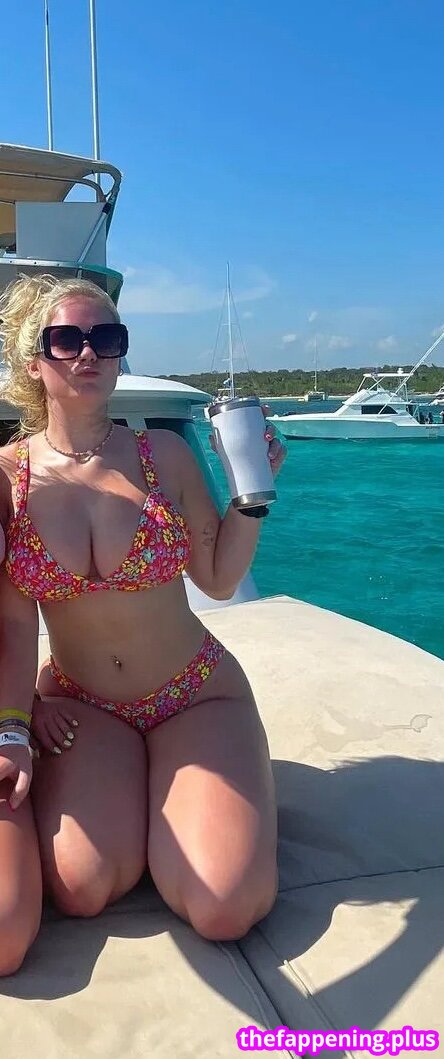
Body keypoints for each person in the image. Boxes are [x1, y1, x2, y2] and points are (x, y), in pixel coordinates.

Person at [0, 274, 287, 975]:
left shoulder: (165, 455)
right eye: (66, 339)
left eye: (106, 338)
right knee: (80, 887)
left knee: (224, 905)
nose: (88, 353)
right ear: (33, 360)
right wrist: (16, 717)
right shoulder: (8, 478)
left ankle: (196, 798)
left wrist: (252, 497)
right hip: (82, 706)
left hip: (195, 694)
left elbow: (217, 580)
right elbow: (9, 623)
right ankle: (153, 799)